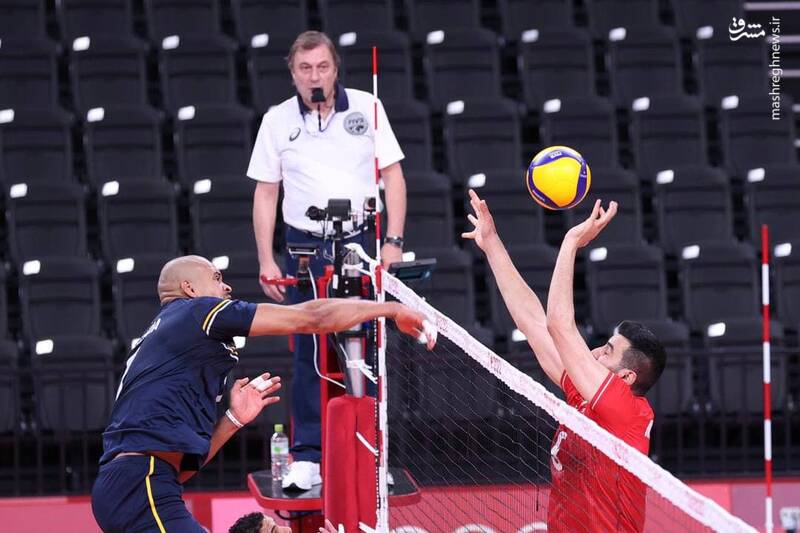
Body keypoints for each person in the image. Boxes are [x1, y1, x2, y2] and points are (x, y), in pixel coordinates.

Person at [91, 255, 433, 533]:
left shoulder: (168, 343)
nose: (226, 286)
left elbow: (180, 469)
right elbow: (311, 317)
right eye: (216, 277)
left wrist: (232, 419)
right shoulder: (197, 312)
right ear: (189, 288)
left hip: (135, 484)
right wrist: (389, 311)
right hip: (142, 483)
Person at [247, 30, 409, 490]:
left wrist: (394, 241)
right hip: (305, 246)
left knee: (367, 349)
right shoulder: (277, 120)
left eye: (322, 67)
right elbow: (266, 192)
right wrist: (266, 257)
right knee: (307, 349)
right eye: (305, 68)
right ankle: (307, 456)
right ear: (293, 73)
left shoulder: (367, 107)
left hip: (360, 240)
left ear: (335, 69)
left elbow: (394, 176)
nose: (314, 76)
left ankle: (373, 455)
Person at [462, 190, 666, 533]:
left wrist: (571, 242)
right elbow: (534, 323)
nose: (596, 352)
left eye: (608, 351)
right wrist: (492, 243)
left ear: (626, 377)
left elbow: (559, 324)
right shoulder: (584, 397)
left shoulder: (624, 410)